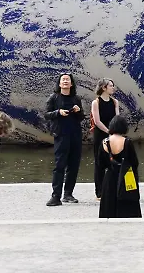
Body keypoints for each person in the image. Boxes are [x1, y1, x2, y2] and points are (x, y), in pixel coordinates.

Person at [45, 73, 85, 206]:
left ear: (71, 84)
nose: (66, 81)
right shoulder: (54, 98)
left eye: (68, 79)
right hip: (61, 135)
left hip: (75, 135)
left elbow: (81, 118)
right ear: (60, 84)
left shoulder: (76, 98)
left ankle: (68, 194)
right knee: (59, 165)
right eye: (63, 80)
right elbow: (46, 114)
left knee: (73, 166)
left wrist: (79, 111)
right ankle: (55, 196)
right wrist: (58, 112)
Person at [98, 115, 142, 219]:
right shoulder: (127, 142)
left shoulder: (104, 142)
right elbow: (134, 163)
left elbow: (100, 165)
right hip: (126, 177)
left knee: (109, 206)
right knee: (128, 208)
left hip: (109, 178)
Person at [91, 79, 120, 200]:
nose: (113, 88)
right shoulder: (96, 102)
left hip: (113, 135)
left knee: (114, 162)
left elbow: (117, 118)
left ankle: (114, 189)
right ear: (104, 88)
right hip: (100, 135)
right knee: (99, 164)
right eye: (111, 86)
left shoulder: (115, 102)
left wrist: (116, 132)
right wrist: (108, 131)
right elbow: (97, 121)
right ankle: (100, 192)